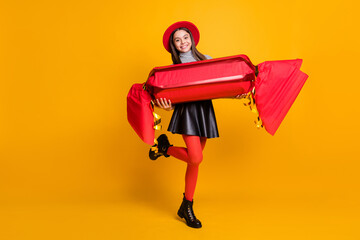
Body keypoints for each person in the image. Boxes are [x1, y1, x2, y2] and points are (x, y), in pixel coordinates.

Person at [148, 21, 245, 228]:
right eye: (177, 40)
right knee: (195, 157)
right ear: (174, 46)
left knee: (194, 162)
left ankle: (187, 205)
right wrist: (166, 107)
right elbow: (173, 96)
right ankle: (164, 147)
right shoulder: (173, 70)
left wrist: (234, 95)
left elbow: (217, 87)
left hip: (204, 112)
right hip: (186, 114)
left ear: (192, 39)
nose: (182, 42)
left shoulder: (207, 60)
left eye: (185, 37)